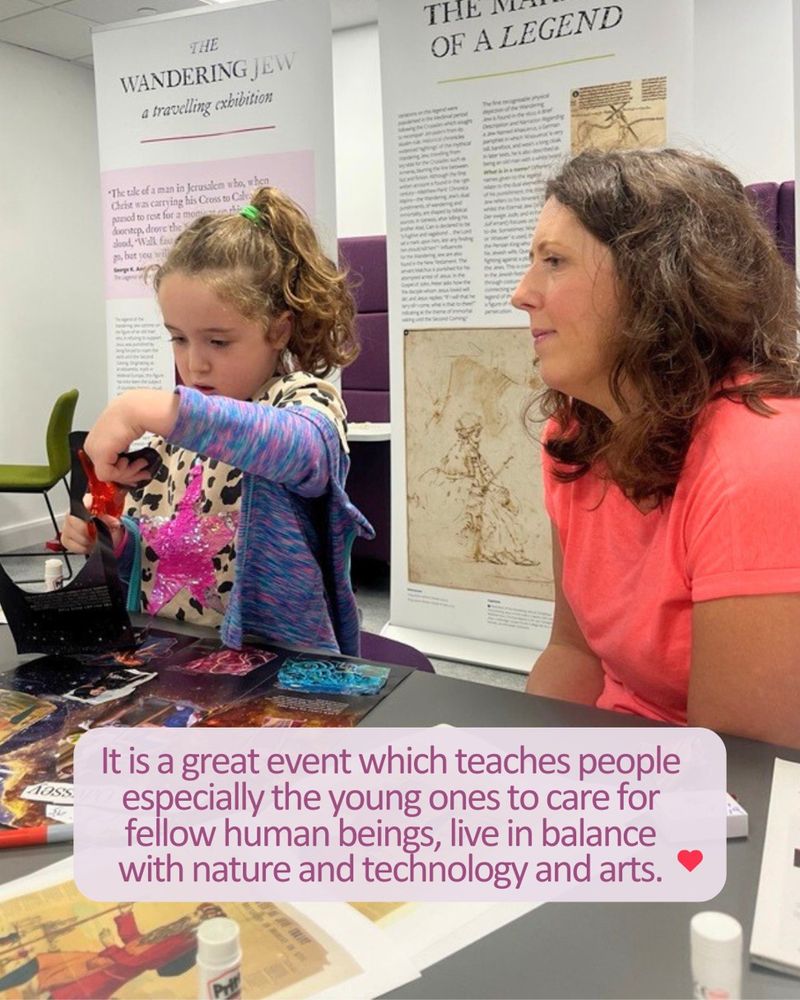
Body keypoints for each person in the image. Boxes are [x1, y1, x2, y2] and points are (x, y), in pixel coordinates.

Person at [511, 147, 800, 748]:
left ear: (655, 282)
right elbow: (573, 654)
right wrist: (518, 776)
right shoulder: (575, 435)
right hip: (632, 757)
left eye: (554, 262)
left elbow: (737, 774)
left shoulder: (758, 460)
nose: (522, 293)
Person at [61, 188, 372, 655]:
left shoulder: (301, 401)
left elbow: (303, 451)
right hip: (172, 653)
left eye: (218, 342)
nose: (195, 364)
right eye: (178, 339)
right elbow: (169, 550)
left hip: (269, 665)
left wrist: (142, 409)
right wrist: (118, 540)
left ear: (279, 329)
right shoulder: (176, 434)